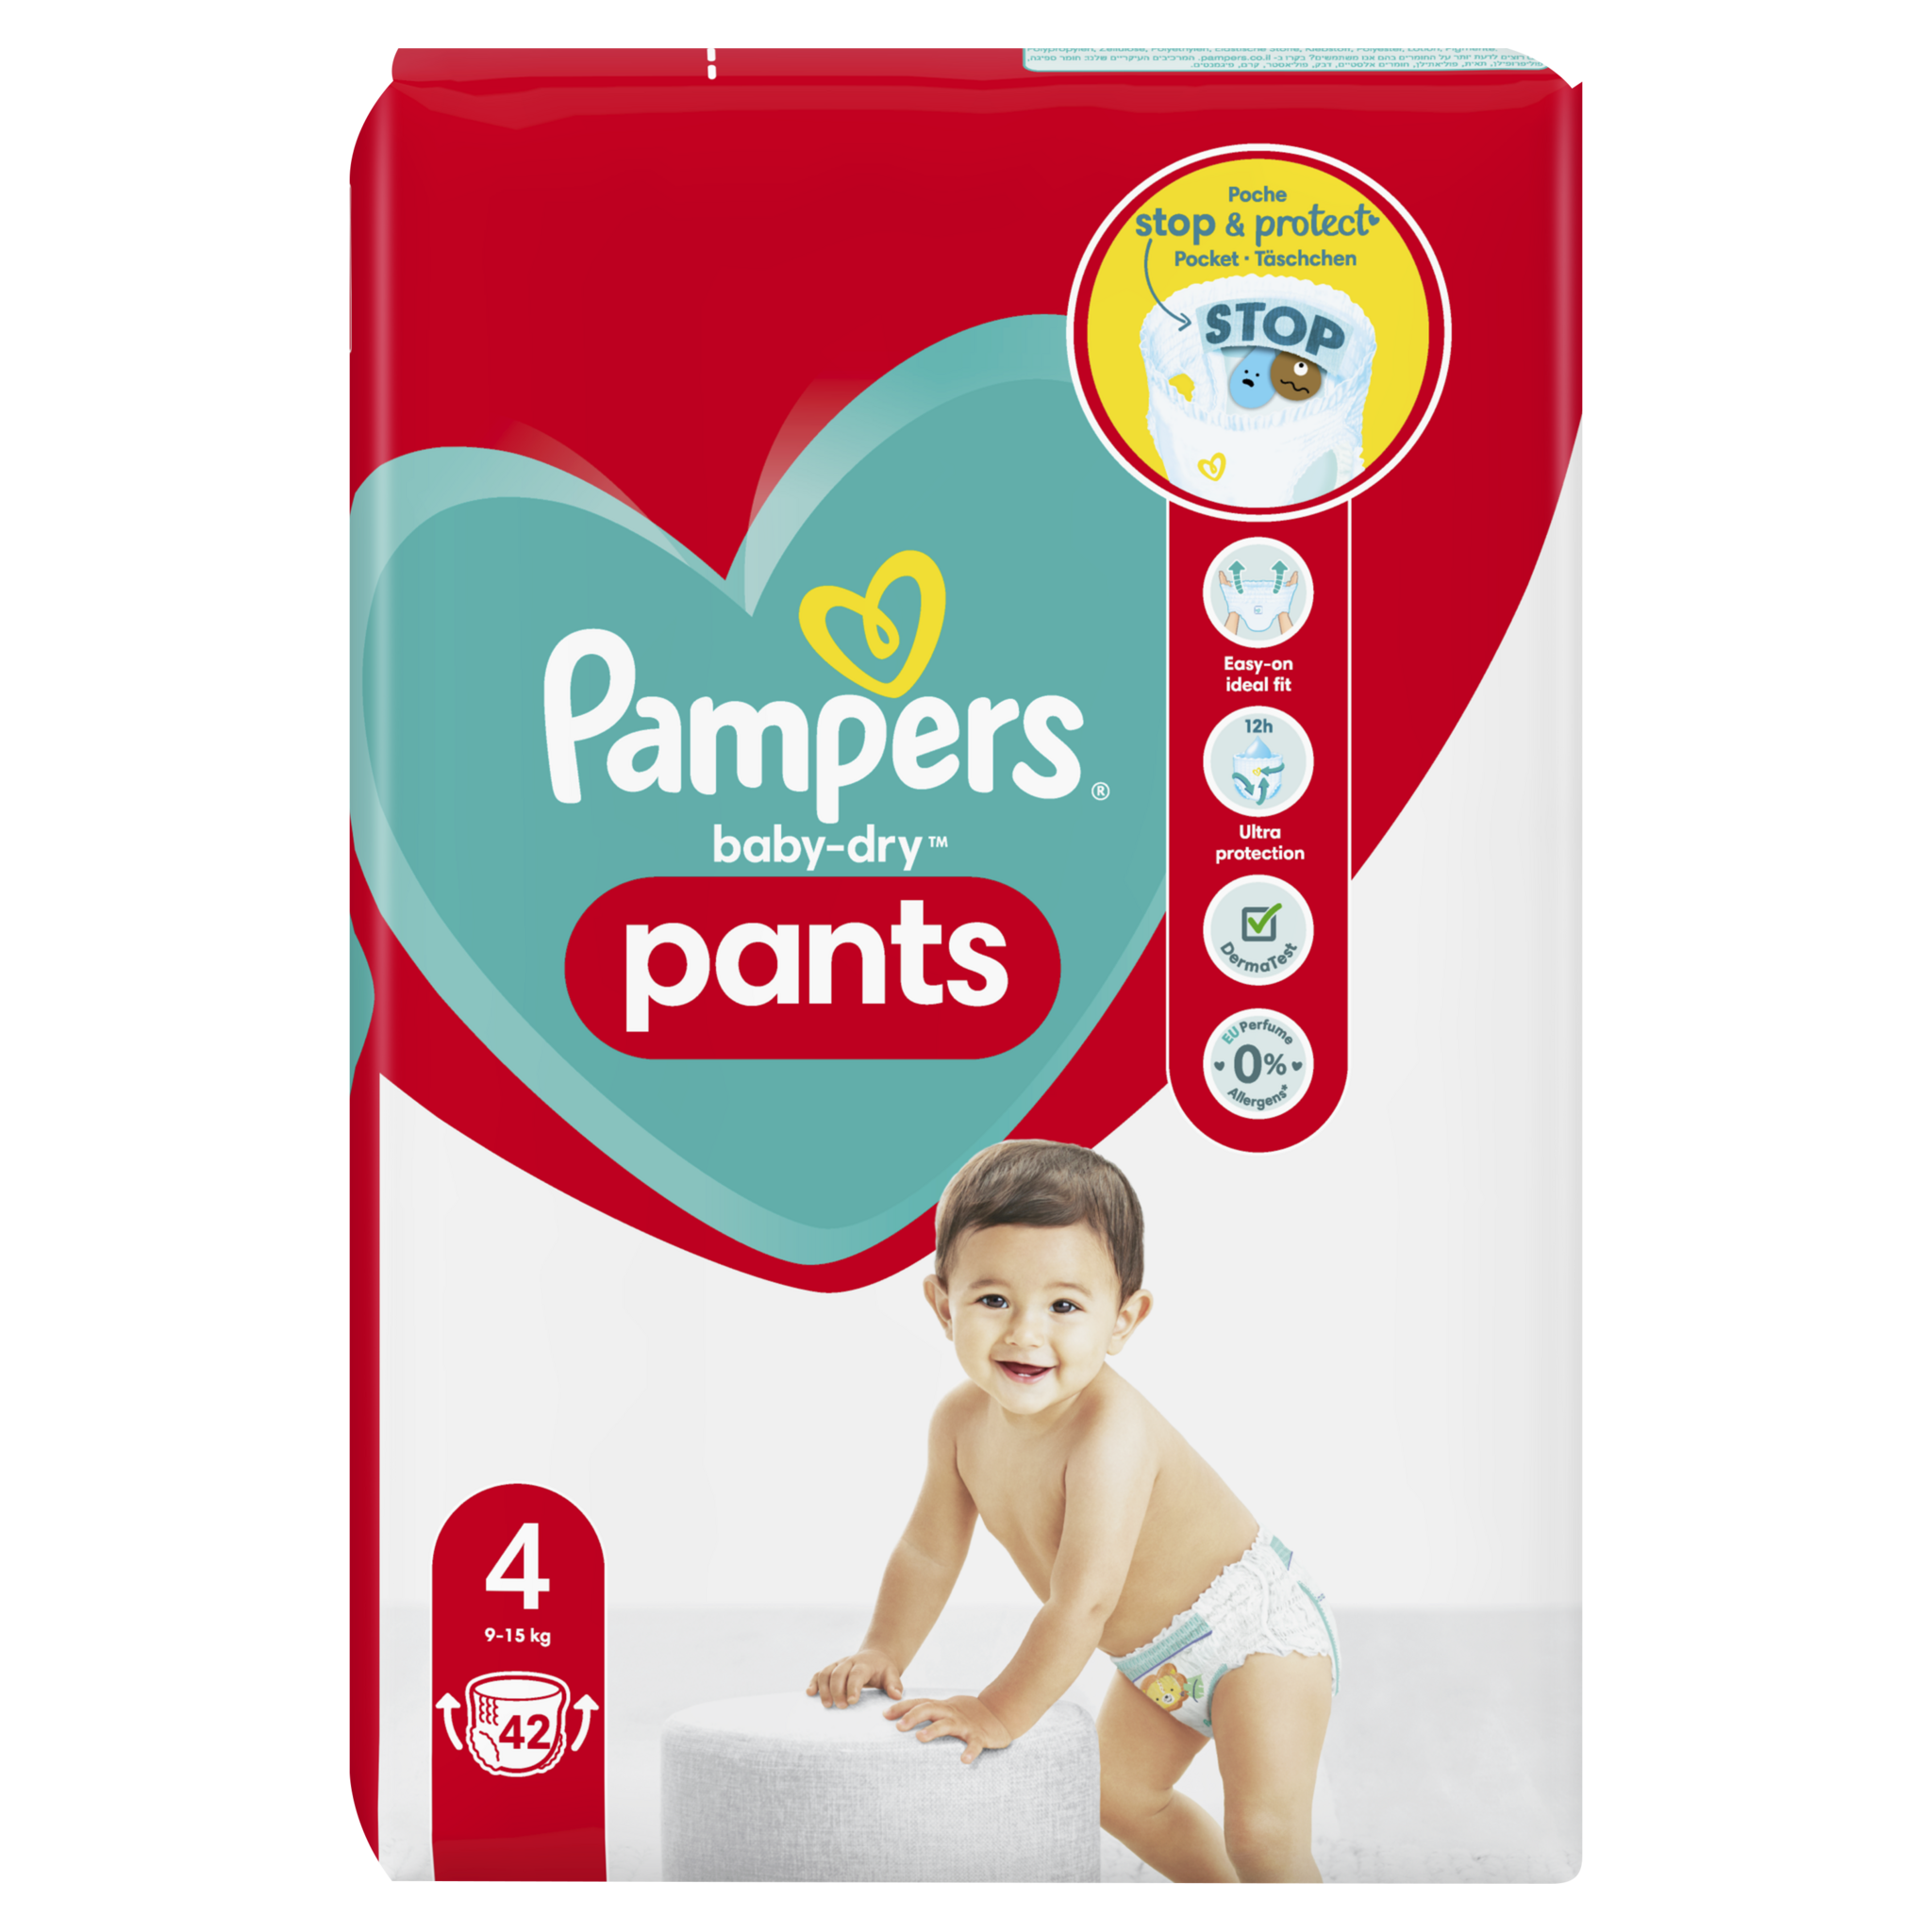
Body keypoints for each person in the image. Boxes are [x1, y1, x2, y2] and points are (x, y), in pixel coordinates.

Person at [807, 1140, 1338, 1883]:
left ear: (1123, 1319)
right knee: (1117, 1794)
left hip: (1257, 1635)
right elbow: (928, 1552)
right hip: (1157, 1659)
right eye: (993, 1300)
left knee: (1263, 1835)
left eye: (1063, 1306)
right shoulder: (959, 1423)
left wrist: (997, 1711)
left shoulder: (1110, 1433)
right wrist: (883, 1650)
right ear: (943, 1305)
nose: (1025, 1333)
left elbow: (1083, 1601)